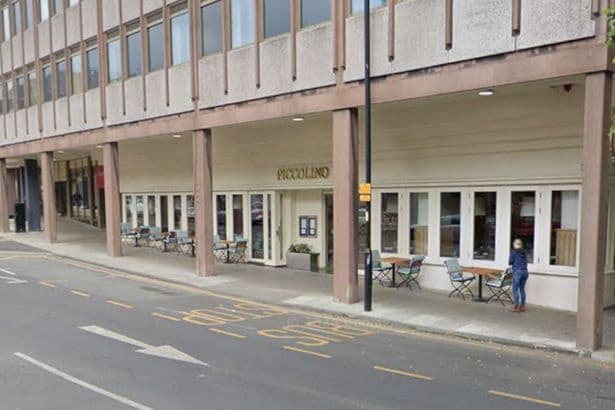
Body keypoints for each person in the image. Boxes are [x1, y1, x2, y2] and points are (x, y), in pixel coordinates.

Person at [509, 239, 529, 313]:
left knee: (515, 290)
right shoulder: (524, 252)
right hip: (525, 272)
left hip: (517, 272)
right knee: (522, 289)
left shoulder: (513, 252)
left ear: (514, 244)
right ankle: (522, 306)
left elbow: (510, 262)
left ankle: (516, 307)